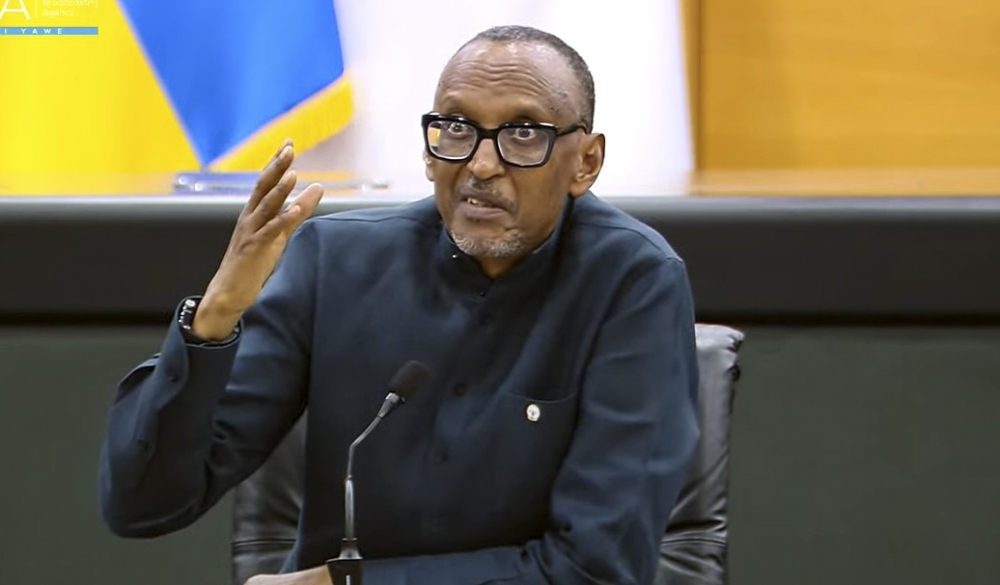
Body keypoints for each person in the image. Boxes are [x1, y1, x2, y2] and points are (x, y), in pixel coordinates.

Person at [99, 25, 700, 585]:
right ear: (430, 150)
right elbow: (144, 506)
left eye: (524, 134)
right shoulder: (337, 260)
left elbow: (598, 568)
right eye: (458, 129)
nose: (481, 165)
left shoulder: (634, 281)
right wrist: (213, 321)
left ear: (586, 162)